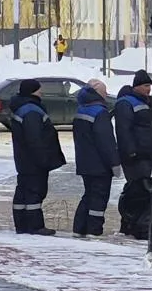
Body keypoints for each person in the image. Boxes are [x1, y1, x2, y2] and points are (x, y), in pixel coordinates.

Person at [9, 80, 66, 236]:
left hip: (23, 159)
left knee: (23, 191)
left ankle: (21, 225)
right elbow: (35, 138)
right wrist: (43, 160)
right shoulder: (32, 111)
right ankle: (35, 226)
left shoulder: (21, 108)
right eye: (39, 90)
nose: (41, 92)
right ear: (32, 91)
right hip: (34, 160)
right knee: (35, 191)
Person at [113, 70, 152, 233]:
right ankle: (128, 223)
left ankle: (137, 222)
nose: (149, 89)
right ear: (137, 86)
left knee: (143, 189)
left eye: (150, 86)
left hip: (147, 154)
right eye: (146, 86)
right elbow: (123, 130)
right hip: (135, 156)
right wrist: (131, 152)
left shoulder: (145, 101)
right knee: (136, 189)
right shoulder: (126, 103)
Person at [71, 80, 120, 238]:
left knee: (88, 194)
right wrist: (114, 163)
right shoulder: (99, 112)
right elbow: (106, 141)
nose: (106, 94)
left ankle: (79, 227)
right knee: (99, 197)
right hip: (100, 165)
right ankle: (94, 229)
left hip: (84, 162)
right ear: (98, 93)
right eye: (104, 92)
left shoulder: (81, 109)